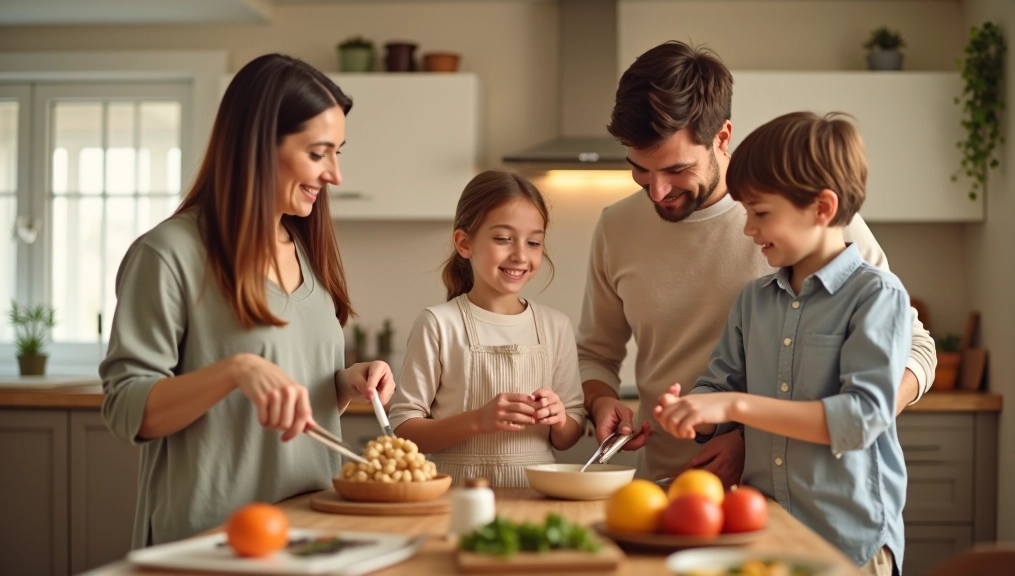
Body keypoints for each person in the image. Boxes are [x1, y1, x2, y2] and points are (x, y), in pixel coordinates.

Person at [577, 41, 936, 485]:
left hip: (788, 494)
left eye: (676, 169)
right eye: (640, 170)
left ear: (722, 137)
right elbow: (594, 354)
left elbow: (916, 350)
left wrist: (759, 439)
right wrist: (600, 401)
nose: (657, 192)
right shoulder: (616, 227)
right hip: (665, 488)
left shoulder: (808, 219)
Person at [100, 53, 395, 548]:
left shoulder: (304, 249)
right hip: (214, 541)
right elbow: (127, 409)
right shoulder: (170, 253)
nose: (336, 175)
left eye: (338, 152)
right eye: (319, 153)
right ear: (259, 146)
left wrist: (343, 384)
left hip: (310, 531)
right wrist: (234, 370)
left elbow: (287, 397)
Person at [654, 111, 908, 576]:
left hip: (851, 544)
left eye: (761, 213)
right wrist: (694, 411)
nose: (749, 230)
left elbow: (860, 419)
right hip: (767, 536)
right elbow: (719, 383)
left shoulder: (876, 296)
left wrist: (734, 407)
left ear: (822, 208)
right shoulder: (753, 301)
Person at [389, 170, 585, 488]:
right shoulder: (439, 324)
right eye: (503, 239)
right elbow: (403, 428)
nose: (521, 255)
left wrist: (560, 418)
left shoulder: (556, 326)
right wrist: (478, 420)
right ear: (464, 243)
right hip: (456, 494)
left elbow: (569, 434)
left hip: (535, 494)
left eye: (534, 242)